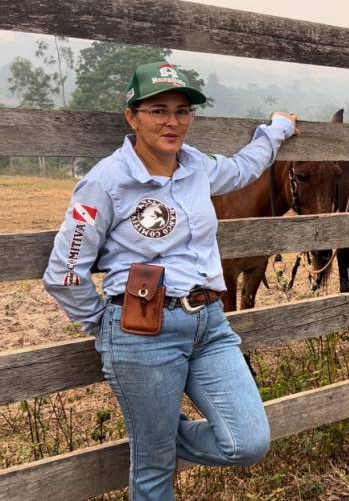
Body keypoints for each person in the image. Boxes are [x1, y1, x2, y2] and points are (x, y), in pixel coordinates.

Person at [42, 62, 297, 500]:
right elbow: (64, 273)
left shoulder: (198, 166)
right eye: (159, 110)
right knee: (155, 471)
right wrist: (105, 326)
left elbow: (241, 168)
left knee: (246, 442)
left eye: (182, 111)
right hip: (143, 333)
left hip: (210, 324)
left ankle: (155, 432)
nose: (173, 122)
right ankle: (154, 437)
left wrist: (275, 131)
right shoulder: (105, 182)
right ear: (132, 116)